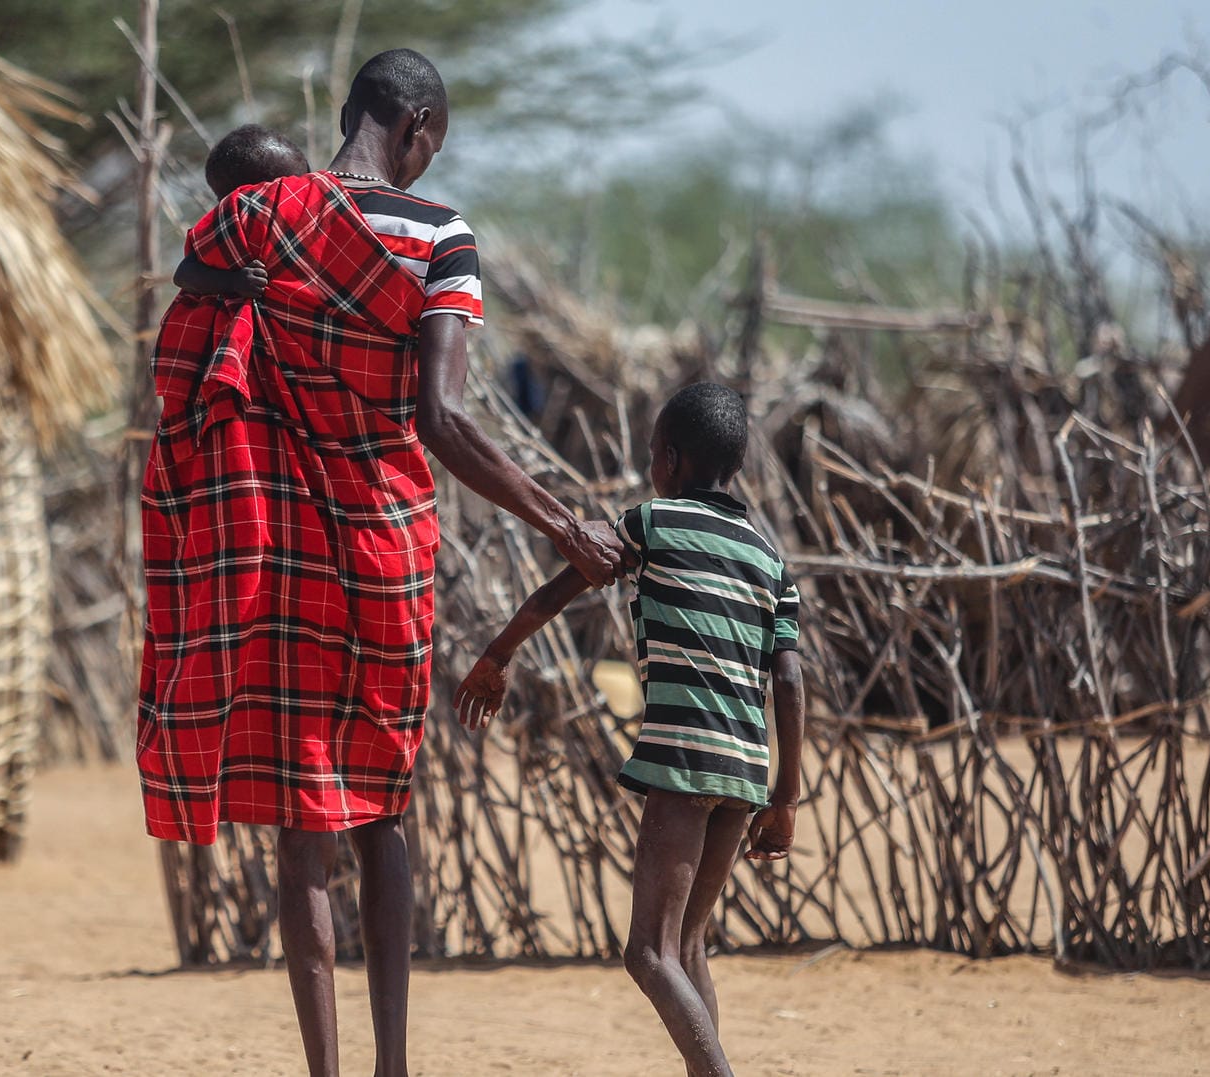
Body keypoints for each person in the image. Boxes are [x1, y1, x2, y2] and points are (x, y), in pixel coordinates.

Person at [137, 48, 625, 1077]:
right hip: (382, 549)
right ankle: (392, 1067)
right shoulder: (439, 233)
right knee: (383, 811)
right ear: (418, 131)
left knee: (302, 828)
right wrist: (560, 522)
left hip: (280, 556)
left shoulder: (258, 213)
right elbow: (441, 418)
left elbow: (190, 288)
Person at [454, 382, 806, 1077]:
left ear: (669, 459)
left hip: (682, 757)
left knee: (647, 950)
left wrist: (496, 653)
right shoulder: (770, 562)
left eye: (651, 454)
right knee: (689, 944)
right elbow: (789, 682)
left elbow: (561, 587)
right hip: (742, 768)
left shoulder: (651, 523)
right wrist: (785, 796)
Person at [173, 124, 310, 300]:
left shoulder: (308, 225)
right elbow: (184, 275)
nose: (306, 192)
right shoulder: (225, 232)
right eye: (291, 189)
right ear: (244, 203)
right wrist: (234, 281)